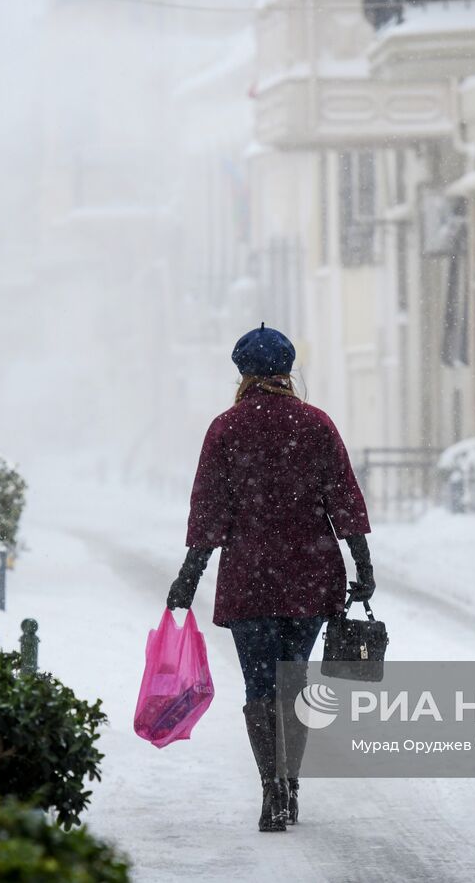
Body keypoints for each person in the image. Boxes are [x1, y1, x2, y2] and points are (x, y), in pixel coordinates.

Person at [166, 324, 376, 833]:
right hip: (310, 573)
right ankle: (291, 781)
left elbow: (209, 513)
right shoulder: (316, 425)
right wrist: (362, 566)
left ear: (242, 373)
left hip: (250, 578)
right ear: (287, 371)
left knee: (259, 684)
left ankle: (271, 789)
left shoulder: (226, 428)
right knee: (294, 680)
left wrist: (188, 578)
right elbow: (344, 499)